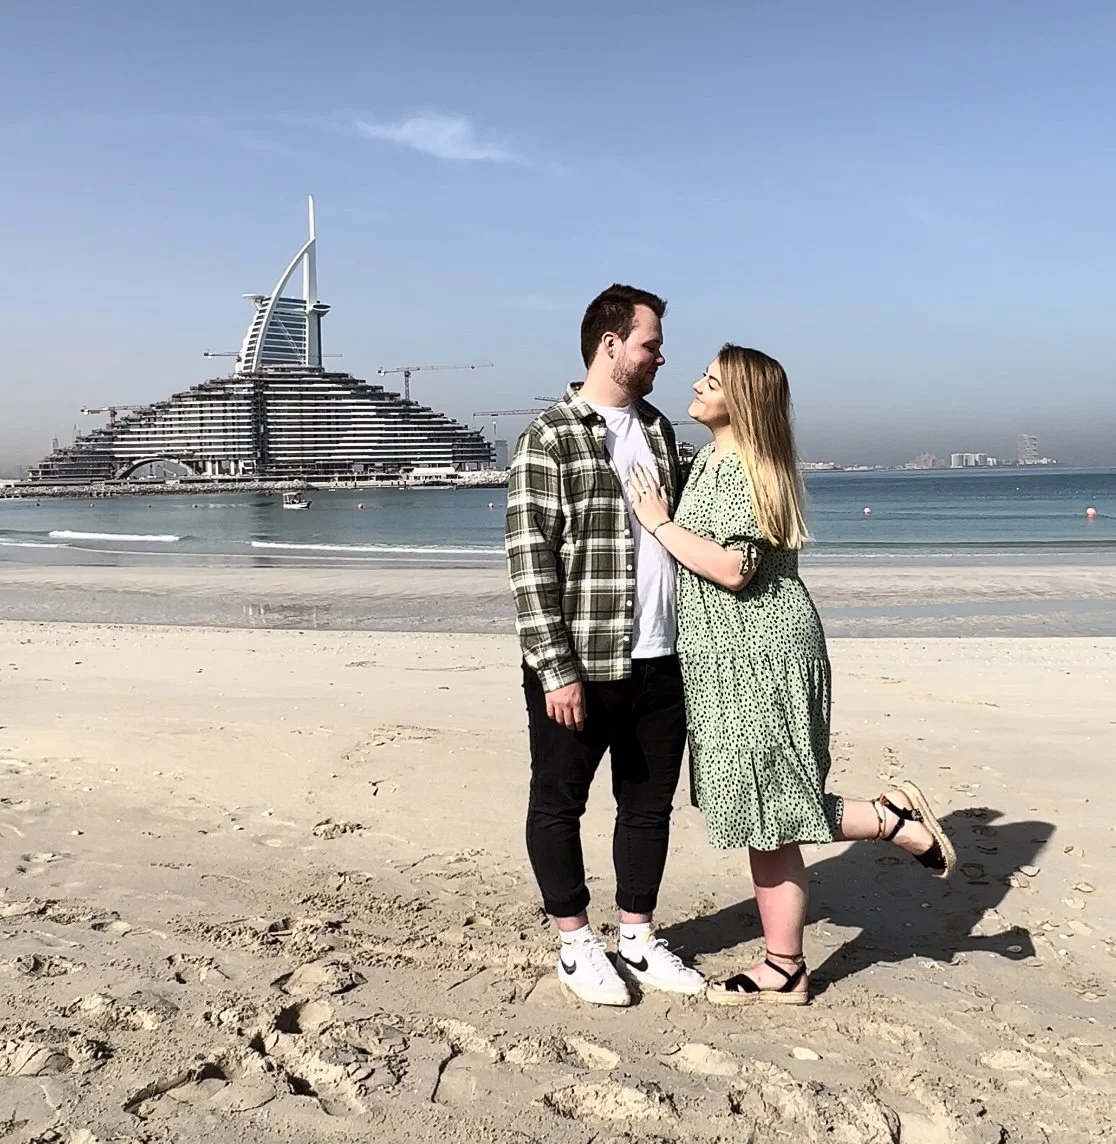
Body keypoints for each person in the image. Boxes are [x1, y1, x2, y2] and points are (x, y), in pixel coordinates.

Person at [626, 344, 956, 1005]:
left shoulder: (749, 468)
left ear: (742, 401)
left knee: (769, 808)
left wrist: (657, 522)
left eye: (712, 380)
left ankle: (882, 826)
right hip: (724, 657)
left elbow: (734, 568)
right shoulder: (710, 461)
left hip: (762, 655)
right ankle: (789, 962)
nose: (696, 383)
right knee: (758, 812)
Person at [505, 284, 704, 1006]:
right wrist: (555, 669)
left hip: (662, 659)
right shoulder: (550, 436)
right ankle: (574, 943)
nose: (661, 358)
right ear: (610, 345)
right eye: (651, 344)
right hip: (581, 664)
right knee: (559, 802)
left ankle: (638, 939)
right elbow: (531, 562)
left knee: (648, 806)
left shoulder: (658, 431)